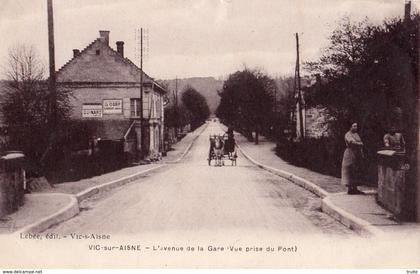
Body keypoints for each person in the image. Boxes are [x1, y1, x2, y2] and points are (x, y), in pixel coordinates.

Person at [341, 122, 365, 195]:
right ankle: (350, 189)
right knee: (350, 169)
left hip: (357, 153)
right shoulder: (347, 134)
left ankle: (355, 188)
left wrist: (361, 152)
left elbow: (359, 143)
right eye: (354, 126)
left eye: (356, 126)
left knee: (356, 170)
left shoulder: (356, 134)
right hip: (350, 153)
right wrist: (360, 144)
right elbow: (352, 142)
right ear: (350, 127)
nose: (355, 127)